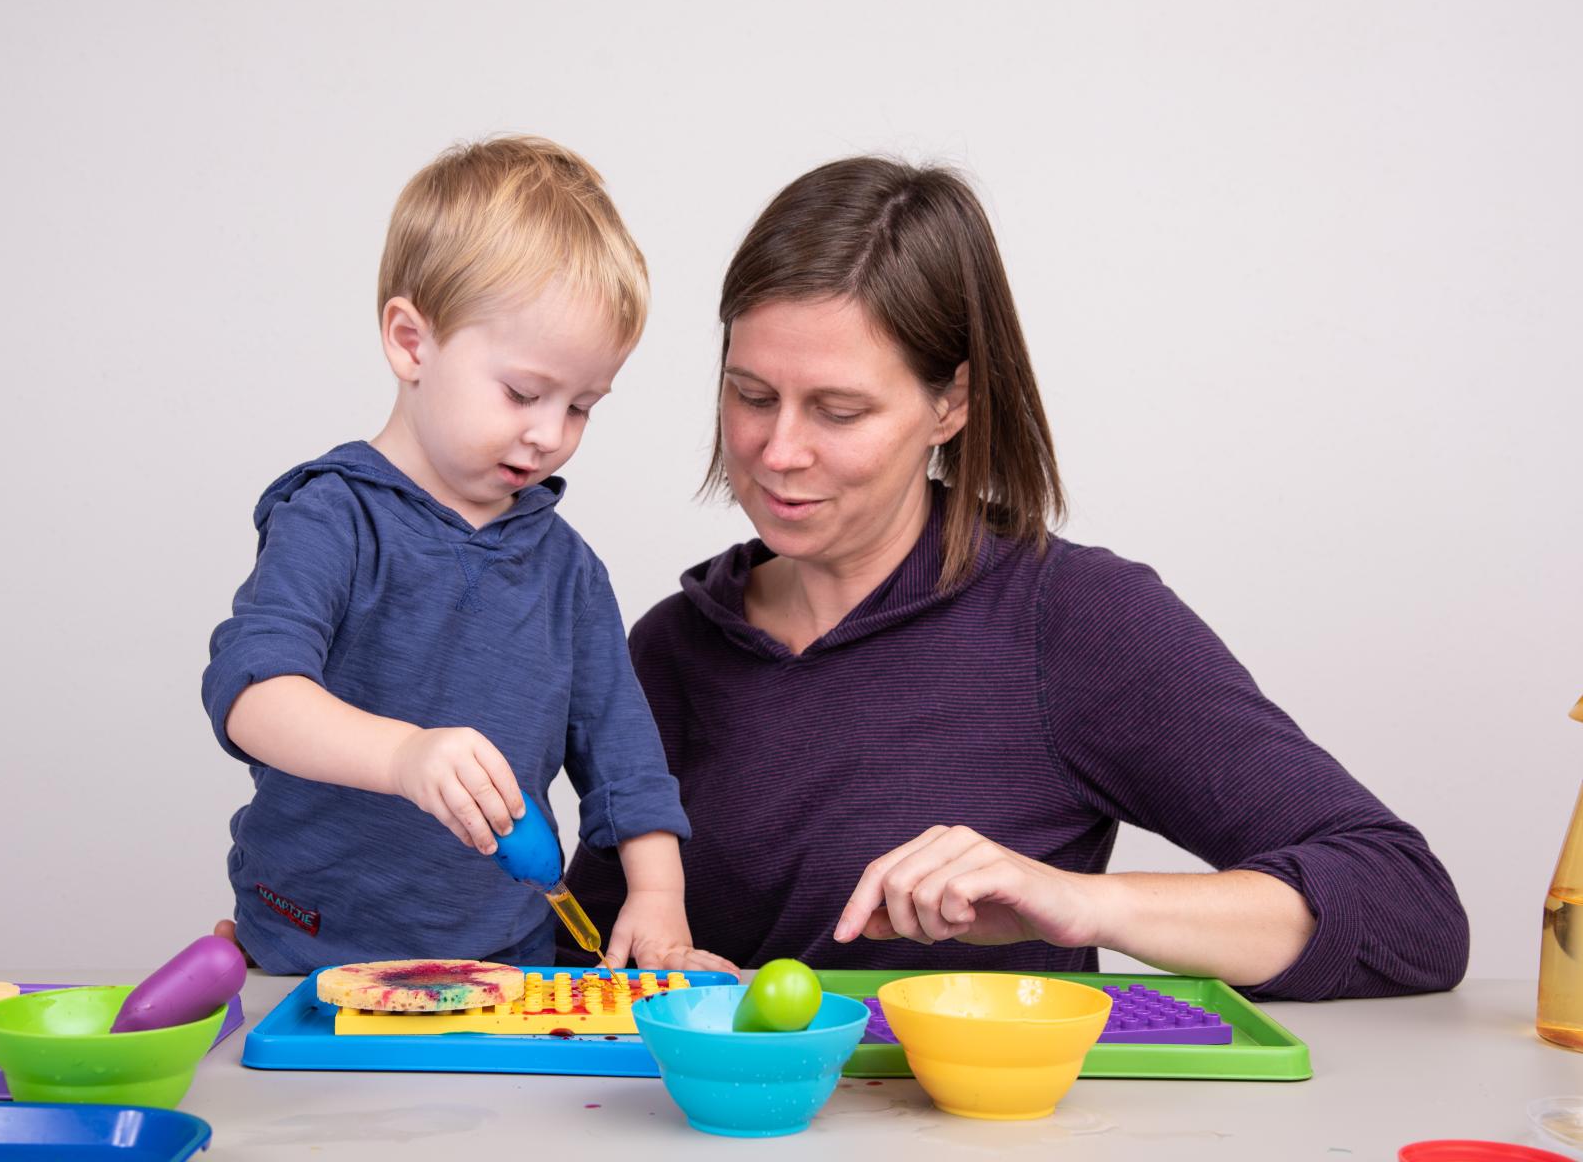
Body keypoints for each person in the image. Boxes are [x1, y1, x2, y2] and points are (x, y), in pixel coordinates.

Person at [560, 156, 1469, 999]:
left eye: (838, 410)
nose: (777, 450)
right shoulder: (672, 649)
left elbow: (1410, 914)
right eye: (750, 395)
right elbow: (580, 961)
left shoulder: (1073, 622)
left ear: (950, 403)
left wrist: (1076, 901)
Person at [202, 136, 732, 975]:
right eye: (524, 392)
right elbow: (254, 699)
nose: (550, 434)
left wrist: (658, 895)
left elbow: (624, 754)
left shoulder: (568, 572)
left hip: (503, 957)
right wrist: (404, 755)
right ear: (412, 342)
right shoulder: (332, 516)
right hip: (309, 950)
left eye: (583, 406)